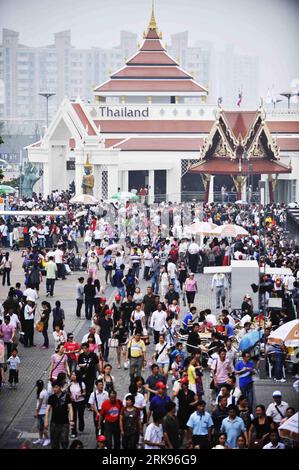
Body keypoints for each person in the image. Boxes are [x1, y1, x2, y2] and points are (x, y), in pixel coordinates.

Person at [44, 380, 73, 449]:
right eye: (53, 387)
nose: (54, 389)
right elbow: (48, 409)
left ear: (60, 387)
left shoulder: (66, 396)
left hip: (64, 423)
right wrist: (46, 421)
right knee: (54, 443)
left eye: (56, 387)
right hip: (54, 424)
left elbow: (70, 408)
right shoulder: (51, 397)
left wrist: (71, 420)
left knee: (64, 441)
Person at [33, 380, 50, 447]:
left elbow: (39, 404)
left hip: (42, 412)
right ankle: (40, 439)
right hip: (43, 411)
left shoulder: (41, 393)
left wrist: (36, 412)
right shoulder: (45, 391)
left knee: (43, 428)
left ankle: (47, 439)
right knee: (39, 427)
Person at [69, 371, 86, 438]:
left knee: (80, 415)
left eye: (74, 375)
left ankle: (81, 426)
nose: (73, 376)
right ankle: (74, 431)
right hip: (73, 402)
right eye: (72, 375)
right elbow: (69, 392)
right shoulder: (70, 384)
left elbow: (85, 392)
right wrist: (70, 396)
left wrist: (80, 395)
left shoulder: (82, 384)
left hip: (81, 401)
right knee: (73, 417)